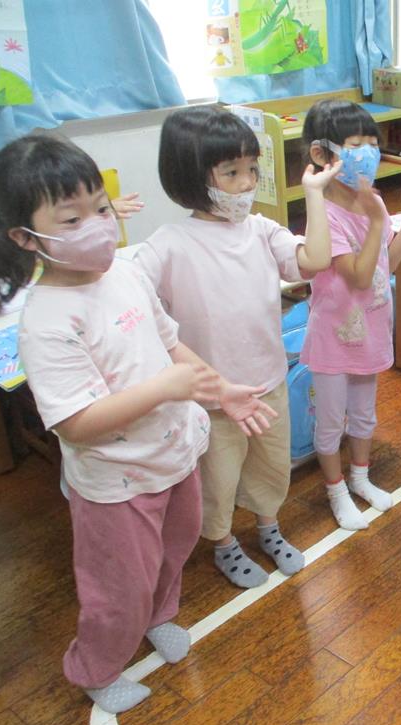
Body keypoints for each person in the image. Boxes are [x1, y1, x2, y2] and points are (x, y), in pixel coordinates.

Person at [0, 134, 274, 713]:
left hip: (174, 454)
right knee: (118, 587)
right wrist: (165, 388)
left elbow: (171, 344)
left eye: (100, 207)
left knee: (174, 550)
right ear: (25, 237)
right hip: (116, 481)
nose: (97, 226)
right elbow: (76, 424)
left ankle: (159, 615)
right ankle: (95, 668)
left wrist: (219, 389)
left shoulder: (124, 272)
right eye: (72, 219)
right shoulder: (47, 321)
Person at [135, 105, 337, 587]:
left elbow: (315, 259)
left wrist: (314, 194)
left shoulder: (261, 230)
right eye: (231, 173)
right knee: (217, 479)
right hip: (211, 397)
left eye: (251, 169)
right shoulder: (169, 244)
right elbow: (134, 303)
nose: (247, 183)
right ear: (191, 176)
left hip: (267, 381)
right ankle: (224, 543)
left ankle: (268, 527)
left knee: (272, 467)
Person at [300, 99, 401, 529]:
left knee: (363, 415)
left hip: (370, 330)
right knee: (330, 423)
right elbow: (358, 277)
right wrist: (377, 223)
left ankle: (360, 478)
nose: (368, 153)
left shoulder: (371, 200)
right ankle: (336, 490)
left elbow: (385, 265)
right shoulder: (325, 214)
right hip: (333, 337)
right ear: (322, 154)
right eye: (355, 145)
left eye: (372, 144)